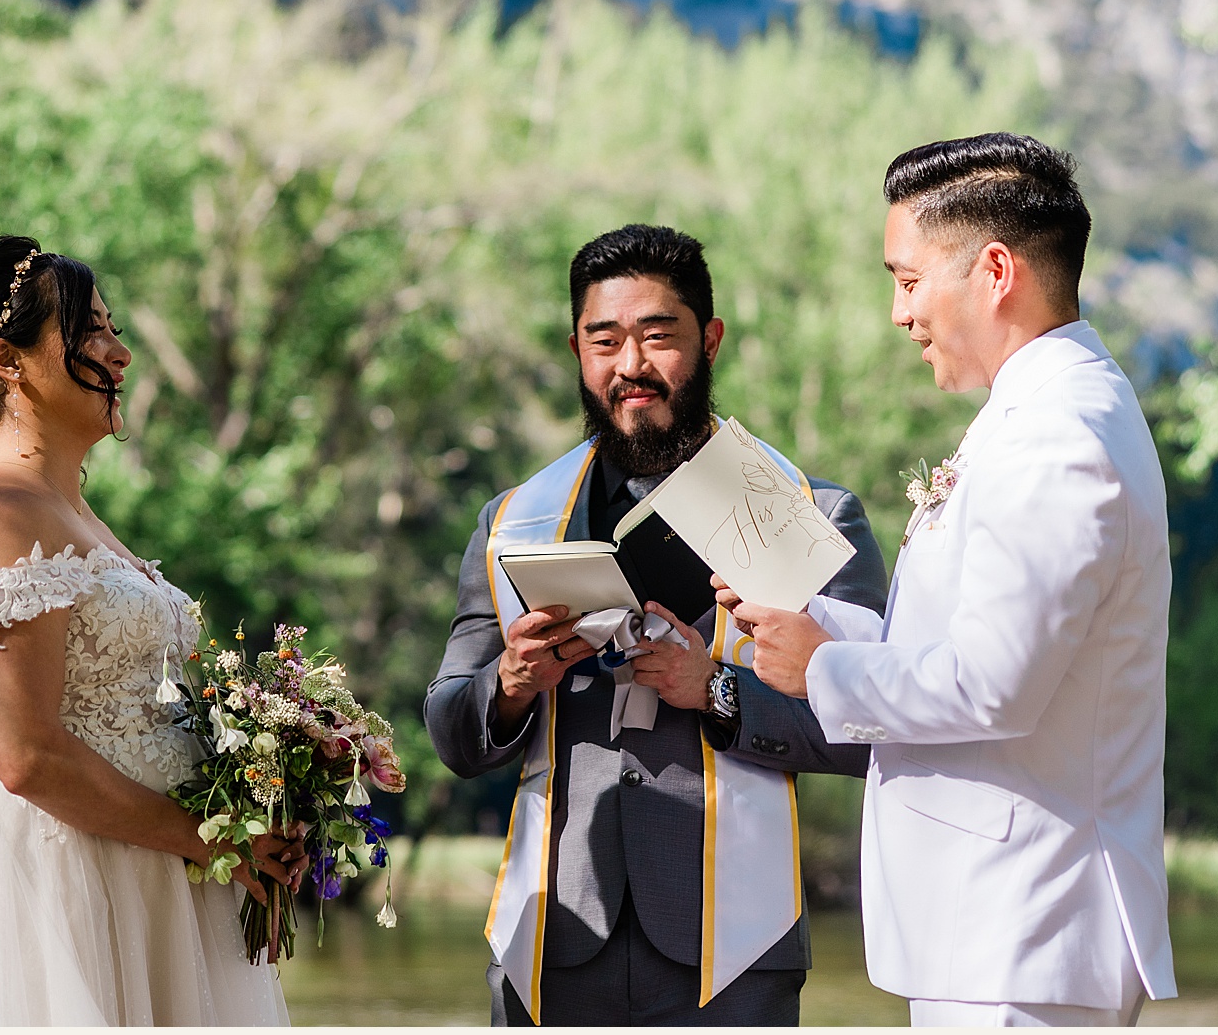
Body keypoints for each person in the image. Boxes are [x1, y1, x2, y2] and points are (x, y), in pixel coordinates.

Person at [725, 136, 1176, 1027]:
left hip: (1024, 929)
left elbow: (995, 684)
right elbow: (971, 645)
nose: (898, 311)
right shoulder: (1034, 411)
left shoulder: (1057, 434)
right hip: (996, 926)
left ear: (996, 270)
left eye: (907, 277)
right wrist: (814, 627)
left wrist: (820, 666)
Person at [427, 224, 891, 1026]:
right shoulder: (514, 523)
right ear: (576, 349)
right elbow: (448, 728)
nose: (630, 366)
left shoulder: (809, 514)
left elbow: (872, 726)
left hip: (734, 945)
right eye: (604, 340)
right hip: (554, 937)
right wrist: (508, 685)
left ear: (709, 339)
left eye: (657, 336)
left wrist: (713, 689)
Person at [0, 235, 298, 1026]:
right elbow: (27, 756)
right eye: (90, 331)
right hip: (74, 885)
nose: (119, 353)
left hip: (158, 876)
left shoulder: (72, 509)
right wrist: (208, 839)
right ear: (8, 359)